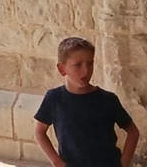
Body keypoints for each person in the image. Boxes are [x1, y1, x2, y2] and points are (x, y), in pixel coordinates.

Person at [34, 37, 140, 167]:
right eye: (78, 65)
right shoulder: (54, 98)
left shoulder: (107, 99)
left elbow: (133, 131)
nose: (86, 70)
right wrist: (56, 161)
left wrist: (123, 163)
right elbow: (39, 132)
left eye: (90, 64)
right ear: (62, 69)